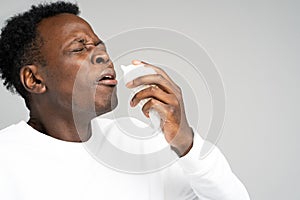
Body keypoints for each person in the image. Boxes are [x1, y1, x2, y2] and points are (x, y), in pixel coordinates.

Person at [0, 1, 250, 199]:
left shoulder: (140, 143)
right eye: (79, 48)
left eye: (100, 46)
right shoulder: (6, 158)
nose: (102, 56)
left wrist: (185, 141)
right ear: (34, 80)